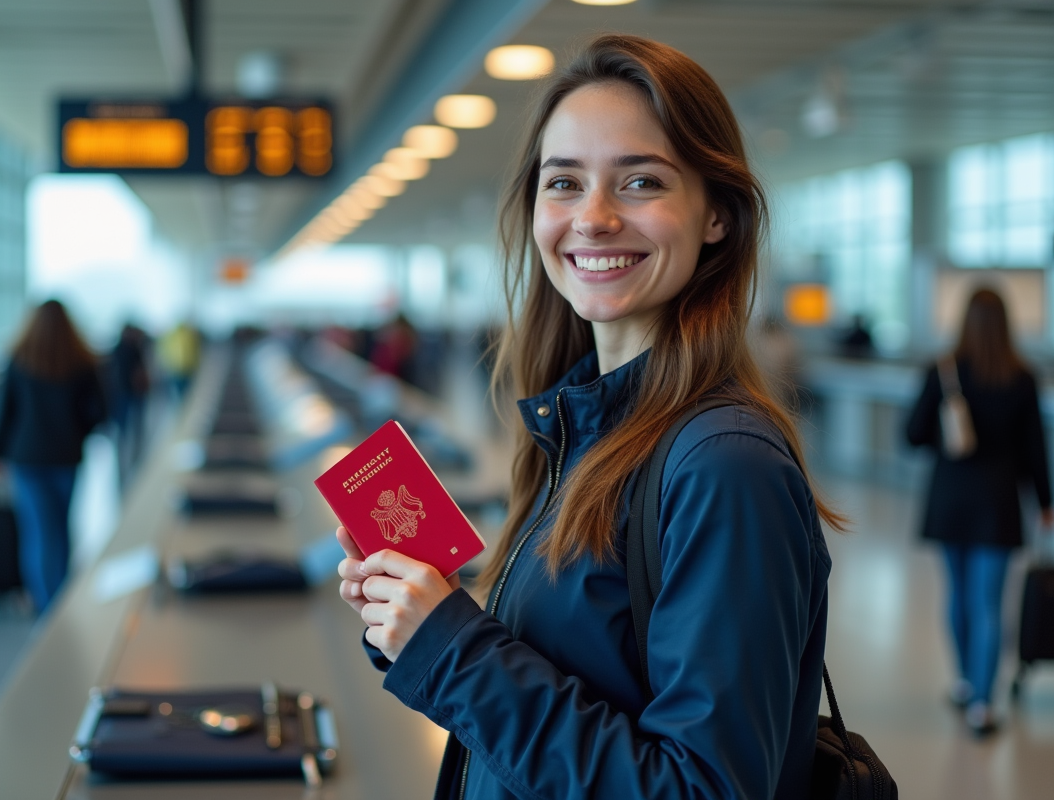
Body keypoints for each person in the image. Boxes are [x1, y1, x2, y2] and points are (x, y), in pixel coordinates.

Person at [335, 35, 841, 799]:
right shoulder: (583, 429)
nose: (594, 218)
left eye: (640, 181)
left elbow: (700, 790)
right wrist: (414, 624)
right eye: (564, 182)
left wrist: (449, 648)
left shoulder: (725, 465)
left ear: (716, 216)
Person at [906, 287, 1053, 736]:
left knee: (958, 595)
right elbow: (1035, 450)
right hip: (999, 503)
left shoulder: (943, 369)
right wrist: (1046, 503)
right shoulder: (1023, 378)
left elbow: (912, 435)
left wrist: (946, 433)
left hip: (950, 499)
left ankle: (968, 682)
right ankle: (983, 706)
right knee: (988, 602)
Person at [0, 300, 107, 613]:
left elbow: (6, 412)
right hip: (66, 455)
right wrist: (76, 428)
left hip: (26, 458)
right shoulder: (82, 362)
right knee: (60, 529)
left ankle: (45, 606)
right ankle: (60, 600)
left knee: (37, 533)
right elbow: (99, 412)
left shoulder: (19, 360)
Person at [108, 323, 151, 487]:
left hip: (130, 393)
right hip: (125, 394)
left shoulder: (126, 349)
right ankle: (129, 455)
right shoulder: (123, 349)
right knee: (126, 427)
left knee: (131, 426)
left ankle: (134, 455)